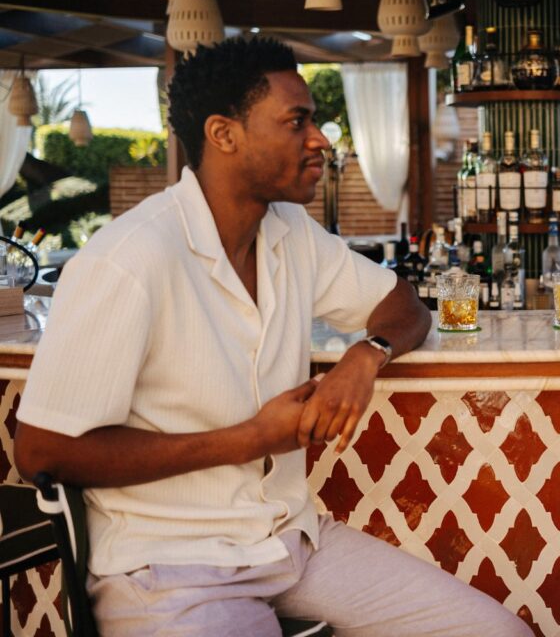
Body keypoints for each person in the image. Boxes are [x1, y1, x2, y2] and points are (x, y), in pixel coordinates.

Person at [14, 36, 530, 637]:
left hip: (290, 544)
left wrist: (368, 354)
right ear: (223, 134)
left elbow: (404, 305)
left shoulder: (289, 232)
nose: (321, 140)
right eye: (297, 122)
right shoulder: (129, 259)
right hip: (169, 565)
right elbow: (42, 452)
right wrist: (252, 438)